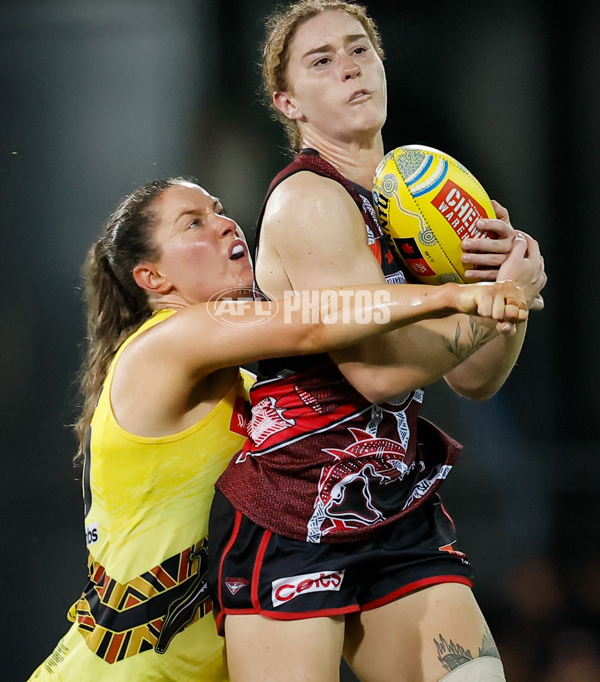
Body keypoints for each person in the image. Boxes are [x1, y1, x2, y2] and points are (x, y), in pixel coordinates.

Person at [26, 176, 526, 682]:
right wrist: (453, 295)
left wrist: (500, 306)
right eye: (194, 222)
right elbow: (314, 321)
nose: (224, 225)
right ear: (153, 278)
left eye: (219, 209)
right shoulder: (162, 346)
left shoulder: (251, 383)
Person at [208, 0, 547, 682]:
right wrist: (500, 300)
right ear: (288, 103)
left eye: (360, 49)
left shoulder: (412, 210)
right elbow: (380, 375)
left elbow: (475, 378)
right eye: (322, 60)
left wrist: (512, 302)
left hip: (395, 507)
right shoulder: (309, 200)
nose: (349, 68)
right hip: (299, 514)